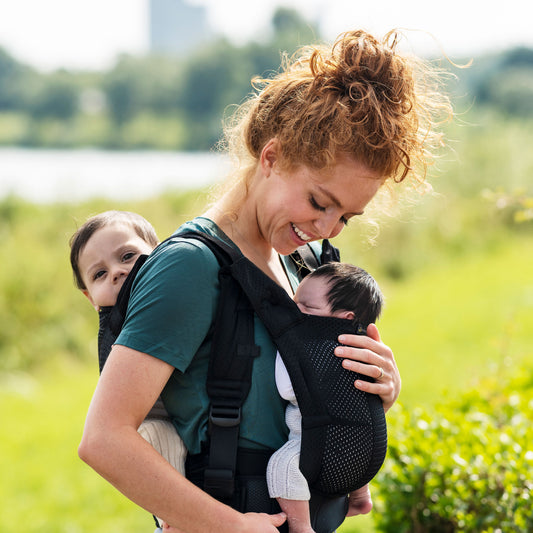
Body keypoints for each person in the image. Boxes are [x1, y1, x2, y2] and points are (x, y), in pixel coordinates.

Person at [78, 29, 452, 533]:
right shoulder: (190, 267)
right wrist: (228, 524)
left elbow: (286, 405)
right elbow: (104, 439)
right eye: (319, 202)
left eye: (347, 217)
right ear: (271, 157)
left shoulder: (300, 265)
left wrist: (373, 385)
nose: (325, 229)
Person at [69, 211, 188, 530]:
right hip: (156, 424)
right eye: (99, 275)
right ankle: (174, 520)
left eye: (128, 256)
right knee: (156, 440)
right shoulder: (117, 321)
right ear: (89, 298)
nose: (118, 273)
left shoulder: (180, 294)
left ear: (162, 252)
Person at [266, 262, 384, 533]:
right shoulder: (361, 350)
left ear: (344, 318)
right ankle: (361, 497)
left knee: (281, 467)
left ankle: (302, 527)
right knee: (349, 445)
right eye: (294, 301)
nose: (294, 311)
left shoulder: (315, 351)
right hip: (367, 448)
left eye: (306, 308)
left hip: (317, 443)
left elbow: (288, 390)